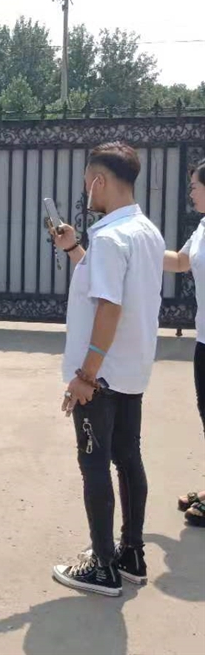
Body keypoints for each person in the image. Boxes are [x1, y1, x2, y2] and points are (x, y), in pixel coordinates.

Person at [50, 142, 165, 597]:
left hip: (101, 377)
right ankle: (131, 554)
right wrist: (75, 248)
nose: (85, 189)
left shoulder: (111, 238)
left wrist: (85, 376)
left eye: (86, 180)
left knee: (93, 463)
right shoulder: (146, 232)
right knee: (128, 458)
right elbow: (112, 285)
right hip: (131, 371)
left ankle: (102, 566)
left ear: (99, 180)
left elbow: (109, 307)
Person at [163, 158, 205, 527]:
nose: (190, 192)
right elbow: (180, 261)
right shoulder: (204, 226)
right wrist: (140, 248)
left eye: (194, 185)